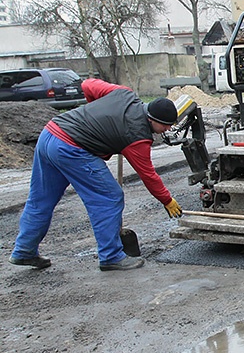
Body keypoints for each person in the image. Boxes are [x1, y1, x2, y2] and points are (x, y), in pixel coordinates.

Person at [9, 79, 183, 272]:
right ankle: (111, 256)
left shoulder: (124, 93)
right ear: (151, 119)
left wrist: (96, 119)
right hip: (71, 148)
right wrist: (166, 200)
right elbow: (148, 175)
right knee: (109, 197)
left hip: (50, 133)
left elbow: (88, 85)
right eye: (165, 126)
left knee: (41, 199)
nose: (167, 130)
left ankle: (24, 250)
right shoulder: (138, 137)